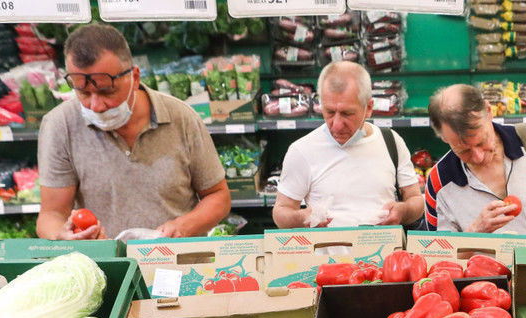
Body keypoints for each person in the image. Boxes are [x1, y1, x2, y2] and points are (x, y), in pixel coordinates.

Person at [36, 23, 231, 240]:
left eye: (106, 90)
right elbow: (51, 214)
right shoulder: (60, 125)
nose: (96, 105)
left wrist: (182, 227)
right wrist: (61, 234)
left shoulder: (181, 118)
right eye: (83, 92)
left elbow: (218, 196)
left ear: (135, 77)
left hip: (176, 263)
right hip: (106, 266)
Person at [273, 62, 423, 229]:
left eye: (347, 113)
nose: (336, 125)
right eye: (329, 112)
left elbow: (416, 200)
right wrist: (302, 217)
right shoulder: (302, 150)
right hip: (324, 256)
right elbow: (281, 212)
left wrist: (403, 211)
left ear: (369, 108)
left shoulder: (391, 142)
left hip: (383, 254)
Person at [424, 84, 526, 240]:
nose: (479, 157)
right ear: (445, 139)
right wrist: (475, 232)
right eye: (464, 151)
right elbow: (439, 254)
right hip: (477, 265)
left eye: (481, 142)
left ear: (489, 111)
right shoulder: (439, 181)